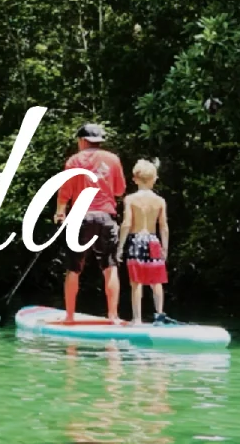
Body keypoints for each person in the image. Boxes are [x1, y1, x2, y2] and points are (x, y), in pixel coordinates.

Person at [54, 123, 126, 323]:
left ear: (83, 141)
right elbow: (120, 191)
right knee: (110, 267)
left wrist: (60, 212)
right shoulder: (113, 160)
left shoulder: (73, 161)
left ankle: (69, 317)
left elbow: (65, 192)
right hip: (106, 217)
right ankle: (113, 317)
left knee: (74, 268)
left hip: (80, 218)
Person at [119, 159, 170, 325]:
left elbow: (127, 223)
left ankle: (137, 318)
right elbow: (163, 226)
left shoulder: (130, 199)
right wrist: (165, 248)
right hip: (153, 239)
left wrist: (120, 247)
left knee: (136, 281)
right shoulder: (160, 201)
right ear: (154, 178)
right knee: (156, 281)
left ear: (135, 179)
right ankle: (160, 315)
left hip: (136, 240)